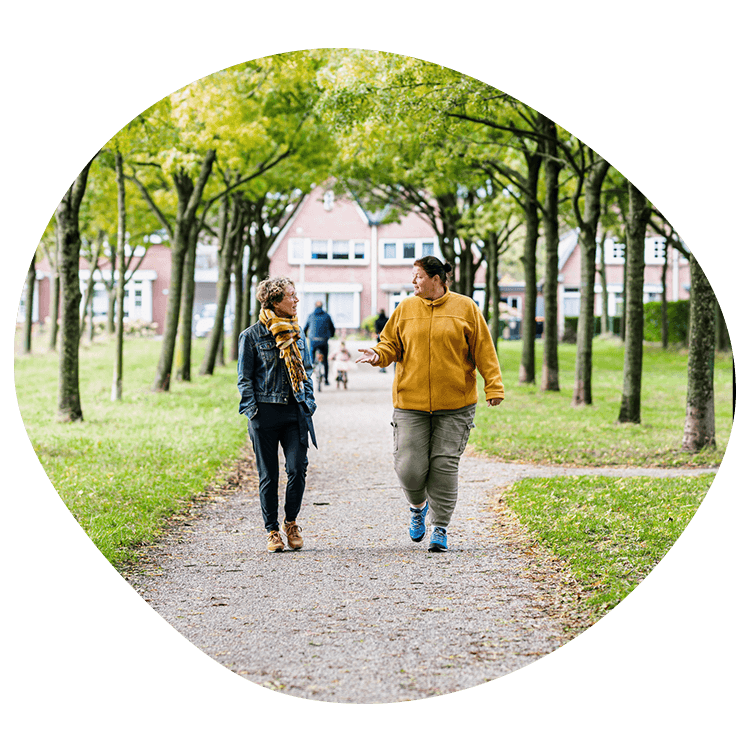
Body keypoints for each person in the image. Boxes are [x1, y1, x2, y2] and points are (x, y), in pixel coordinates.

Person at [356, 256, 504, 553]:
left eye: (418, 276)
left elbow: (483, 349)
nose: (413, 282)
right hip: (411, 403)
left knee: (443, 465)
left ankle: (440, 527)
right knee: (409, 467)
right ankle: (417, 507)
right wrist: (377, 355)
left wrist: (493, 385)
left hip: (456, 404)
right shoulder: (405, 309)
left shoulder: (466, 308)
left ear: (437, 279)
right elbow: (390, 344)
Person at [237, 277, 317, 553]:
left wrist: (309, 403)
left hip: (295, 412)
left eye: (296, 295)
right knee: (268, 475)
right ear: (274, 301)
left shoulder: (298, 333)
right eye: (291, 296)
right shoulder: (251, 336)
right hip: (265, 414)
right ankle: (272, 530)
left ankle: (291, 522)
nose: (296, 300)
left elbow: (306, 372)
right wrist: (253, 412)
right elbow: (244, 379)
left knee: (297, 469)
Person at [304, 300, 336, 386]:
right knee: (325, 360)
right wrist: (331, 335)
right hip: (323, 341)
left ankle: (311, 372)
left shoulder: (311, 316)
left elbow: (305, 328)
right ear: (322, 307)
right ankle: (326, 380)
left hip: (313, 340)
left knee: (311, 358)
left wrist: (306, 335)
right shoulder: (327, 316)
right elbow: (332, 328)